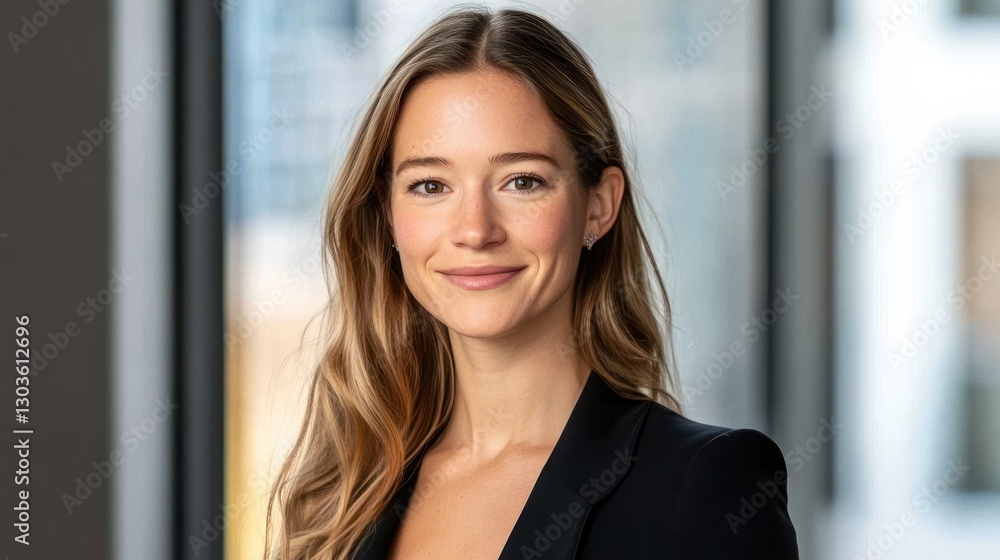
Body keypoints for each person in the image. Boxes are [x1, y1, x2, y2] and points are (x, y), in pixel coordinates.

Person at [265, 5, 799, 559]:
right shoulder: (346, 491)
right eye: (430, 186)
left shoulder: (707, 484)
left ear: (598, 205)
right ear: (386, 215)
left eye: (522, 181)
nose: (475, 229)